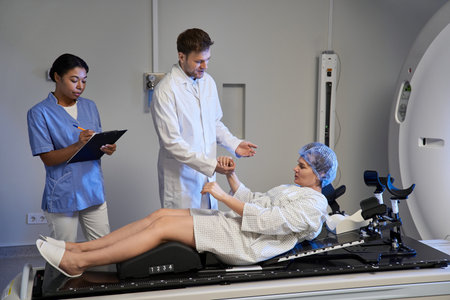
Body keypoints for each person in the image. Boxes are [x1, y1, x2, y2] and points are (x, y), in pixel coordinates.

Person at [36, 142, 338, 278]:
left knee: (162, 229)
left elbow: (268, 221)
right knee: (160, 216)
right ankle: (77, 248)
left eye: (302, 166)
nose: (295, 169)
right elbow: (256, 200)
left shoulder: (315, 205)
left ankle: (79, 263)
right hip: (239, 226)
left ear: (320, 175)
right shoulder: (294, 191)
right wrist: (230, 177)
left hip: (247, 243)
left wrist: (220, 195)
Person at [151, 28, 258, 209]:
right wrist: (211, 165)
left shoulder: (208, 82)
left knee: (208, 231)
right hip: (180, 182)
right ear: (181, 56)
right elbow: (172, 143)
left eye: (207, 60)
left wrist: (234, 144)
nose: (205, 66)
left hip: (207, 179)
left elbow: (214, 123)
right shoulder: (166, 90)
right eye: (199, 61)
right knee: (180, 235)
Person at [27, 53, 116, 243]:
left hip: (92, 188)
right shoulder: (39, 113)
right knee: (63, 254)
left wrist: (105, 147)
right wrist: (77, 145)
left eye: (84, 81)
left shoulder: (90, 106)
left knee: (104, 249)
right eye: (74, 80)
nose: (80, 86)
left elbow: (94, 145)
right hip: (63, 192)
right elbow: (48, 158)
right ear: (57, 77)